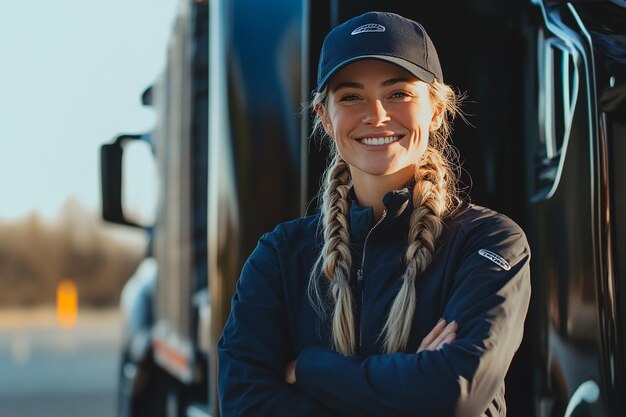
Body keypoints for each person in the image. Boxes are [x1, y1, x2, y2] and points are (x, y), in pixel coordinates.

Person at [217, 11, 531, 417]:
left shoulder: (488, 241)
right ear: (325, 118)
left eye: (398, 93)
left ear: (436, 109)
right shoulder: (280, 256)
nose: (377, 114)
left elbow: (453, 392)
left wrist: (309, 368)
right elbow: (245, 404)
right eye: (351, 96)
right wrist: (412, 383)